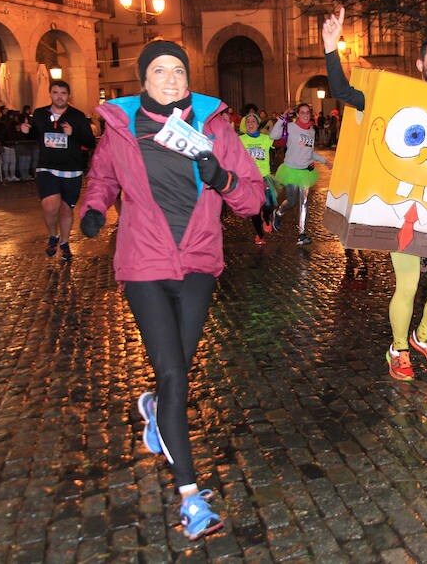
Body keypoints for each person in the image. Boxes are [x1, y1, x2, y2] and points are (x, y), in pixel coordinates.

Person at [78, 40, 264, 540]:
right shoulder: (121, 128)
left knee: (177, 372)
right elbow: (101, 177)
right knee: (174, 374)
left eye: (178, 70)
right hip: (143, 262)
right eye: (159, 70)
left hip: (199, 261)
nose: (170, 78)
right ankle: (190, 498)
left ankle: (155, 410)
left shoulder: (215, 128)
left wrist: (222, 177)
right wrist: (94, 208)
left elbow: (251, 199)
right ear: (143, 80)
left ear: (188, 77)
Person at [322, 6, 427, 382]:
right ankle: (398, 346)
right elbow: (343, 92)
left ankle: (423, 337)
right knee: (409, 284)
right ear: (420, 63)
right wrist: (330, 47)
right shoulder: (396, 96)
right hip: (402, 210)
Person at [20, 80, 96, 261]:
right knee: (50, 205)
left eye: (63, 93)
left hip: (72, 170)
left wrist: (74, 134)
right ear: (50, 94)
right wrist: (25, 131)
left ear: (68, 96)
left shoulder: (77, 116)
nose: (59, 96)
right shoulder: (39, 114)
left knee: (66, 210)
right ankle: (53, 236)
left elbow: (90, 142)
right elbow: (34, 134)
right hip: (47, 167)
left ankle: (64, 242)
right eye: (55, 92)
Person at [269, 102, 330, 245]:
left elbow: (310, 152)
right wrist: (282, 117)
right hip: (290, 170)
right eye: (302, 112)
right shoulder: (291, 127)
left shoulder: (311, 131)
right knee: (291, 201)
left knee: (304, 202)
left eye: (307, 112)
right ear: (297, 114)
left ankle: (301, 234)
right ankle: (278, 213)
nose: (305, 115)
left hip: (305, 172)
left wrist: (324, 161)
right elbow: (274, 135)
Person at [239, 112, 277, 245]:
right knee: (254, 209)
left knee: (269, 205)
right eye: (248, 122)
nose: (250, 124)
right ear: (245, 125)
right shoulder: (241, 140)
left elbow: (279, 137)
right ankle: (259, 234)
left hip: (264, 177)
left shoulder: (265, 139)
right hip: (249, 179)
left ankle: (266, 218)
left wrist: (282, 120)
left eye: (253, 121)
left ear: (258, 124)